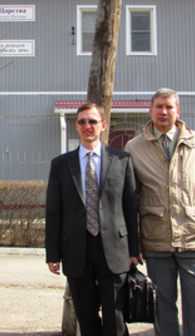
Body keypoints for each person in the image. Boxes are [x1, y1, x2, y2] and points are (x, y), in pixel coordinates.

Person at [124, 88, 195, 336]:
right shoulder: (134, 147)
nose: (164, 111)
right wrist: (133, 245)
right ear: (150, 110)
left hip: (192, 238)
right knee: (162, 307)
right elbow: (130, 200)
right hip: (156, 240)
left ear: (178, 111)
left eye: (169, 107)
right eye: (159, 106)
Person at [45, 103, 139, 336]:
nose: (88, 126)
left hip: (115, 250)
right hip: (76, 250)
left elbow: (130, 208)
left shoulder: (122, 160)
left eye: (93, 121)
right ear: (76, 127)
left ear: (103, 125)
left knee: (115, 318)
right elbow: (54, 212)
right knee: (86, 318)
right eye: (83, 122)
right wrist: (52, 253)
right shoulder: (60, 165)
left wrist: (134, 250)